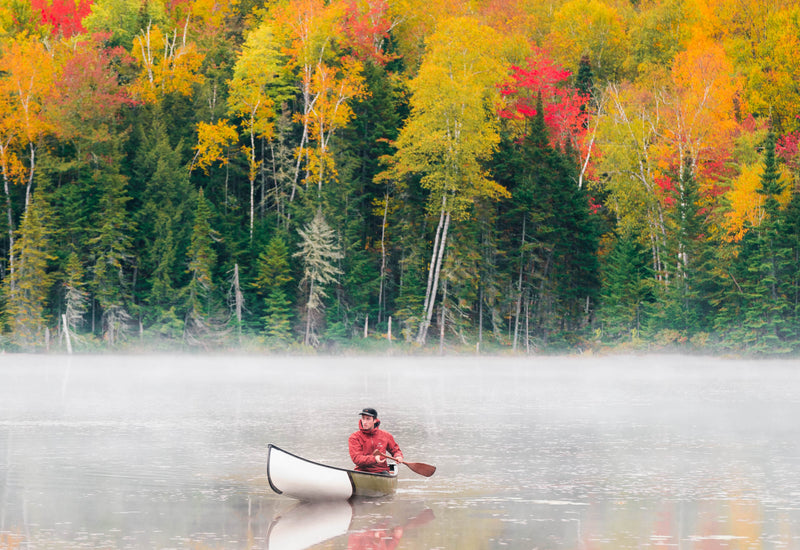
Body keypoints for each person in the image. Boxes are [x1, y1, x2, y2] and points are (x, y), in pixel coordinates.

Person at [349, 408, 404, 473]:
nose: (364, 422)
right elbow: (356, 459)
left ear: (375, 420)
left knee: (384, 473)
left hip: (381, 470)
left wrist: (398, 456)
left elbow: (395, 450)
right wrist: (374, 459)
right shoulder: (354, 437)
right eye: (363, 418)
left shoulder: (386, 435)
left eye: (368, 419)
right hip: (361, 471)